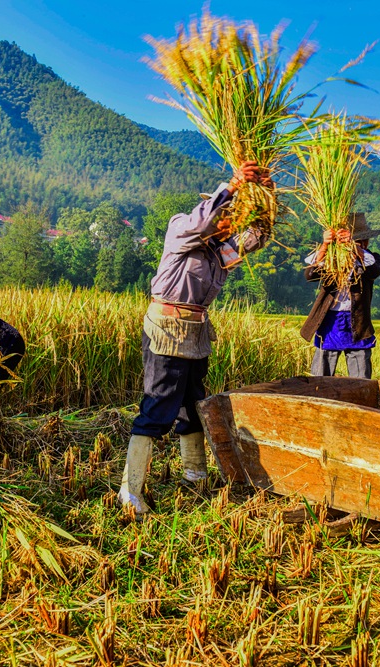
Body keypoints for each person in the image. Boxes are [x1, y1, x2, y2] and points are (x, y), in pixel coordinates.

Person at [118, 162, 272, 516]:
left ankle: (195, 475)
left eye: (231, 217)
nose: (226, 222)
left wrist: (266, 198)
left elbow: (254, 240)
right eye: (223, 214)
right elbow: (200, 222)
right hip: (166, 331)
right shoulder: (180, 232)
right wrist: (234, 185)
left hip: (196, 333)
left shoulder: (220, 254)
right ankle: (130, 491)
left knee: (193, 404)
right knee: (158, 405)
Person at [300, 214, 380, 378]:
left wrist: (353, 248)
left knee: (360, 377)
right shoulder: (330, 259)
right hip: (330, 322)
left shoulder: (368, 259)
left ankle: (359, 400)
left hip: (357, 322)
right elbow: (310, 274)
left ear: (364, 243)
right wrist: (325, 246)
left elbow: (374, 270)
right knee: (321, 377)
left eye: (359, 241)